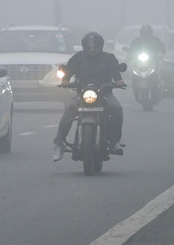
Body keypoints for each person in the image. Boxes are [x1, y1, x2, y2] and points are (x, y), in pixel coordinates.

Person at [53, 31, 125, 162]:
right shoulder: (78, 58)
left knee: (116, 108)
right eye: (89, 47)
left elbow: (115, 71)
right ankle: (59, 143)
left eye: (95, 47)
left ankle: (115, 142)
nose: (92, 49)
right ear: (84, 47)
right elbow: (68, 71)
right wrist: (65, 80)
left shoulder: (109, 58)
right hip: (82, 93)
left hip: (104, 93)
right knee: (69, 109)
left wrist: (119, 80)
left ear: (100, 46)